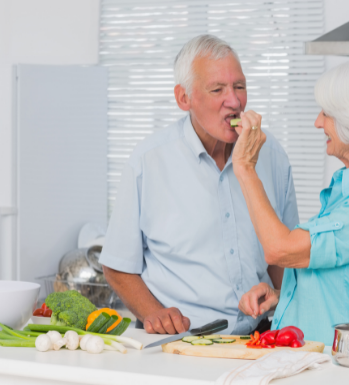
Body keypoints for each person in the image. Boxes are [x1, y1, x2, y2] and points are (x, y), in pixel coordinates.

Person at [99, 35, 299, 335]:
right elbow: (117, 264)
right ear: (184, 99)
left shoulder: (272, 154)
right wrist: (154, 313)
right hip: (180, 340)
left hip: (261, 336)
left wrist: (288, 305)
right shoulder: (148, 161)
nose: (234, 102)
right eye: (217, 89)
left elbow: (285, 258)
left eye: (239, 87)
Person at [231, 57, 349, 346]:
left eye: (327, 113)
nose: (318, 122)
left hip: (332, 370)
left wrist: (244, 167)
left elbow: (279, 250)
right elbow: (341, 286)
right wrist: (283, 297)